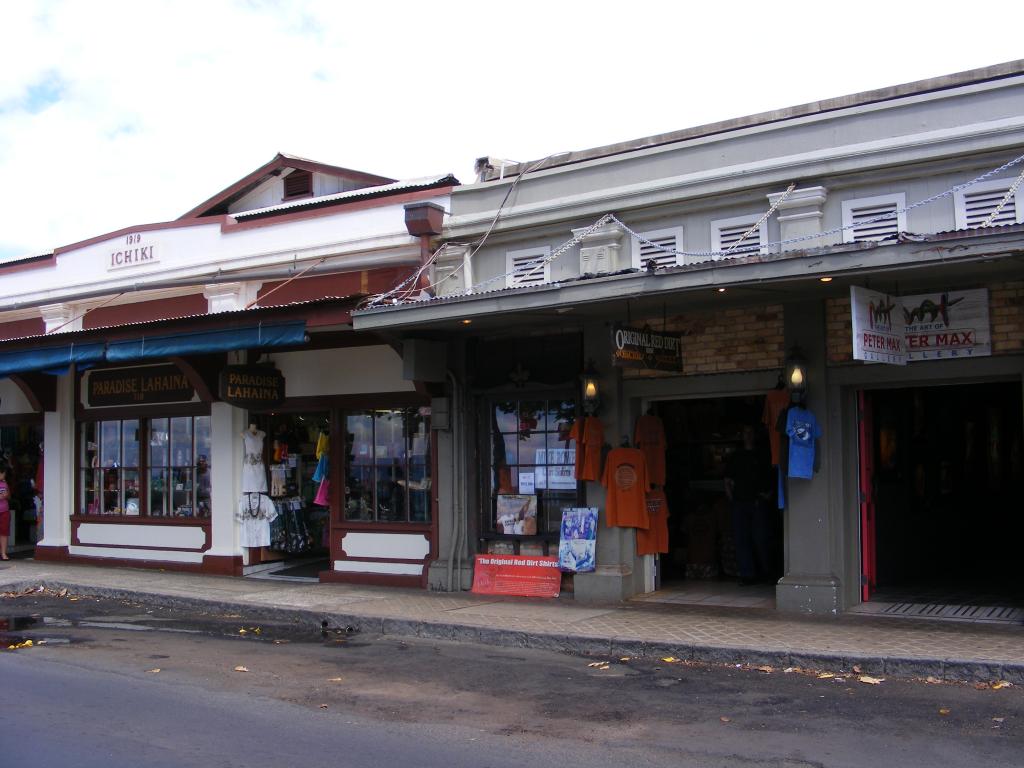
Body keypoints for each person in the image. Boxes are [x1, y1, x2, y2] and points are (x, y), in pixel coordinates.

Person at [724, 425, 773, 585]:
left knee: (761, 538)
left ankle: (766, 571)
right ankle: (747, 575)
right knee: (741, 539)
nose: (748, 435)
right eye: (746, 432)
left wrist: (768, 494)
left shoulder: (762, 455)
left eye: (751, 432)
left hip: (757, 501)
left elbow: (771, 475)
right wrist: (732, 499)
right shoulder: (736, 456)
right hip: (740, 502)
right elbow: (727, 480)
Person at [0, 465, 10, 560]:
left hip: (4, 510)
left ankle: (3, 553)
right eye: (2, 473)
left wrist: (6, 495)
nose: (4, 475)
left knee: (4, 532)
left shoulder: (4, 483)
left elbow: (9, 495)